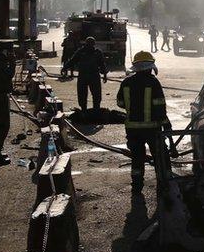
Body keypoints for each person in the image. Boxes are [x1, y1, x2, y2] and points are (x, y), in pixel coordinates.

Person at [116, 51, 173, 192]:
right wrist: (166, 124)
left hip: (132, 130)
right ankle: (164, 183)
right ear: (149, 66)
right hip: (152, 129)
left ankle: (136, 186)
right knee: (160, 156)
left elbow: (120, 102)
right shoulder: (153, 82)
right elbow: (160, 106)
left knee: (137, 158)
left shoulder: (126, 82)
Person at [62, 36, 109, 112]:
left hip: (90, 76)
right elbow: (72, 61)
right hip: (87, 76)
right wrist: (65, 68)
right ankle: (86, 110)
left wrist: (105, 75)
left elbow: (102, 64)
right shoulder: (83, 52)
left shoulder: (94, 52)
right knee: (86, 94)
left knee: (93, 94)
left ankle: (93, 110)